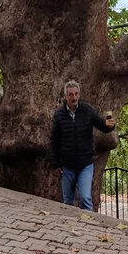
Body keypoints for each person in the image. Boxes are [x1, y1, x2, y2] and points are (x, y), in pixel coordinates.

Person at [50, 80, 115, 211]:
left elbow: (103, 126)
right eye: (70, 95)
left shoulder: (88, 110)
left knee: (85, 198)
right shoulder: (59, 115)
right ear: (65, 96)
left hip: (85, 163)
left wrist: (110, 126)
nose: (73, 97)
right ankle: (68, 226)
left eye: (76, 94)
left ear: (79, 94)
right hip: (67, 165)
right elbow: (54, 140)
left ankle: (89, 228)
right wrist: (56, 164)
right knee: (68, 200)